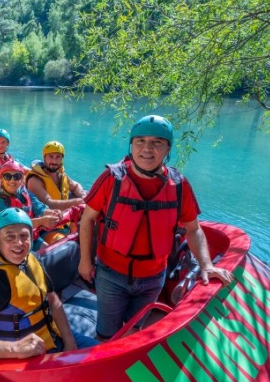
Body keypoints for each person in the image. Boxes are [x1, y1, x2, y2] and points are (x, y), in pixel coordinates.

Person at [78, 115, 234, 340]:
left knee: (134, 330)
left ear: (168, 148)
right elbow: (87, 220)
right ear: (131, 145)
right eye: (140, 141)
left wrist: (206, 264)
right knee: (107, 332)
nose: (147, 149)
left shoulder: (179, 185)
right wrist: (85, 261)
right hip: (111, 274)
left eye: (157, 142)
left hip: (153, 278)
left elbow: (193, 229)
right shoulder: (112, 179)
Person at [0, 208, 97, 359]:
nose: (18, 243)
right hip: (22, 356)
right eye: (9, 237)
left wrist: (70, 342)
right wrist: (15, 349)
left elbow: (53, 301)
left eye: (24, 236)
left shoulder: (32, 259)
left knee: (109, 359)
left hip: (54, 337)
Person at [0, 161, 64, 250]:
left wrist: (52, 213)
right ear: (1, 179)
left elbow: (39, 208)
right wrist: (40, 221)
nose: (12, 180)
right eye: (7, 176)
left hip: (31, 236)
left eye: (17, 176)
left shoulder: (24, 191)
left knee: (51, 251)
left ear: (22, 179)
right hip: (11, 243)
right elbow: (12, 224)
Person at [26, 141, 87, 211]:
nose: (54, 161)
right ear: (44, 157)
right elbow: (48, 204)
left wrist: (83, 196)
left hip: (66, 217)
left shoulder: (61, 176)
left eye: (58, 157)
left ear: (62, 159)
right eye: (50, 156)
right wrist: (77, 202)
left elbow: (76, 186)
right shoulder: (35, 180)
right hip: (47, 219)